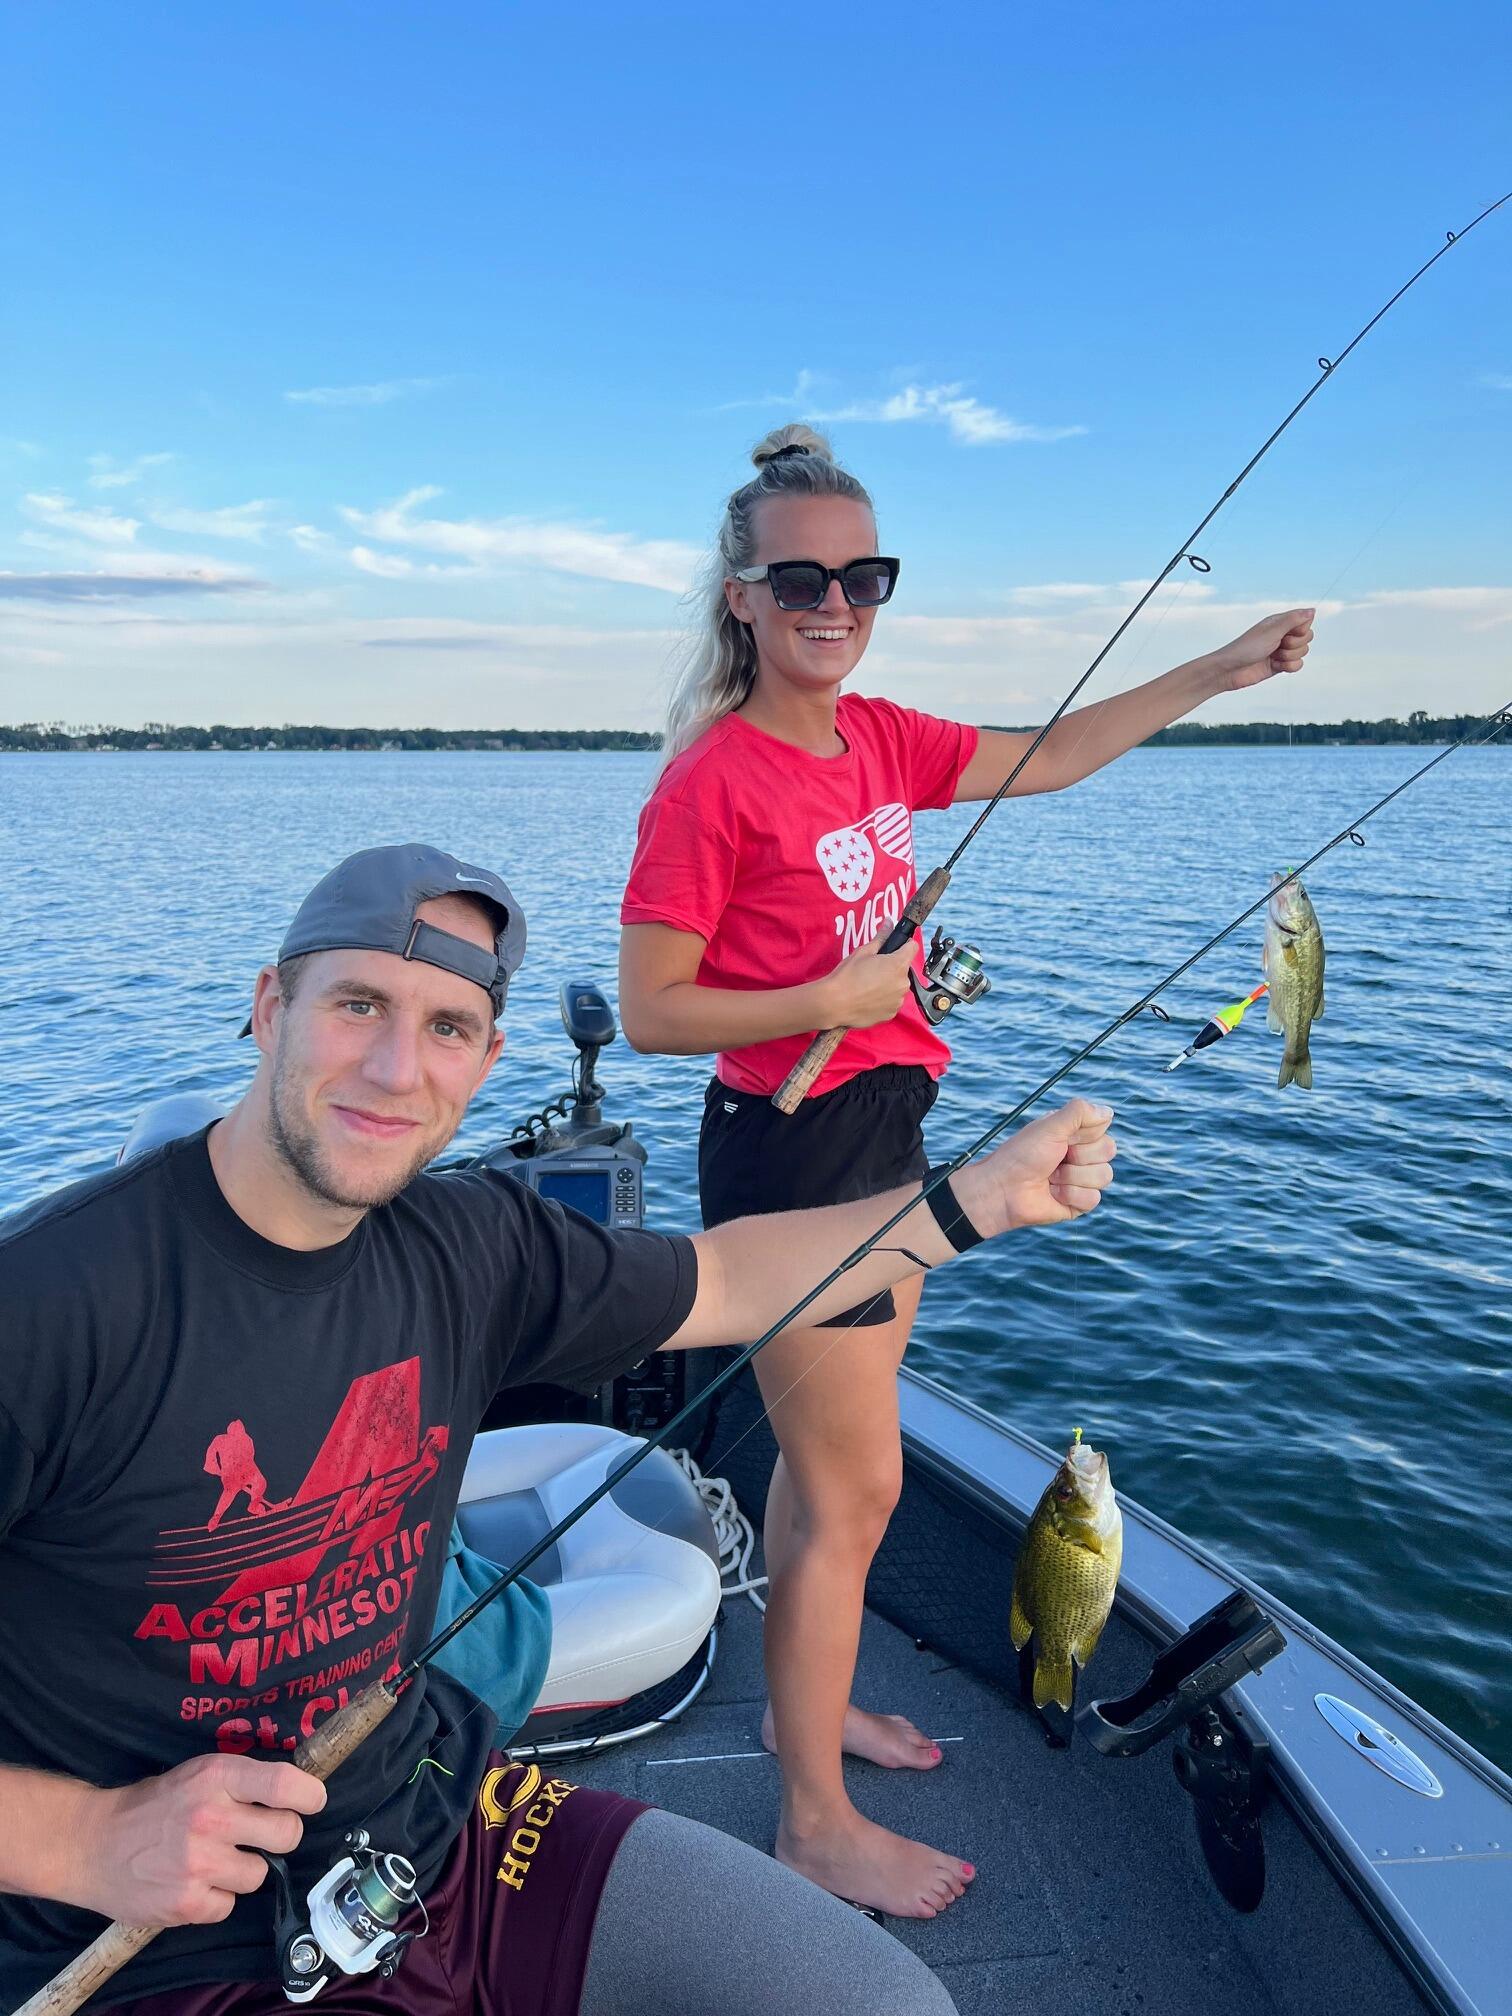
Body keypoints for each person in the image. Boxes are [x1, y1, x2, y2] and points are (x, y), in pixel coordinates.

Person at [0, 842, 1118, 2016]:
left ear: (486, 1062)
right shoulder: (51, 1306)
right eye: (359, 1003)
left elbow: (732, 1274)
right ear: (271, 1007)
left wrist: (981, 1200)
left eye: (445, 1028)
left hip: (438, 1822)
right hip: (146, 1939)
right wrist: (85, 1836)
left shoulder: (472, 1245)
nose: (393, 1068)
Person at [617, 424, 1314, 1918]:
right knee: (860, 1480)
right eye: (800, 576)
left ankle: (824, 1697)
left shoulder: (873, 737)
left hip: (882, 1128)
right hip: (792, 1153)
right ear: (740, 595)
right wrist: (833, 1000)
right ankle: (811, 1815)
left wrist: (1215, 670)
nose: (836, 601)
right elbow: (655, 1008)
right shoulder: (712, 782)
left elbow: (1047, 753)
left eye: (864, 574)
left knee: (833, 1480)